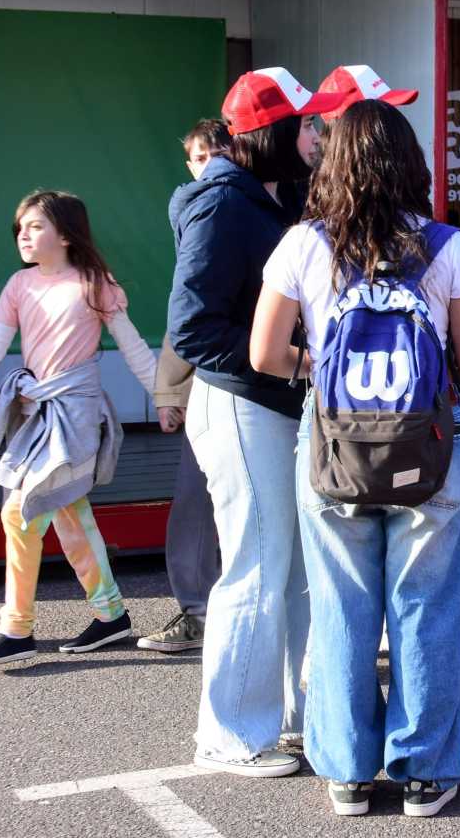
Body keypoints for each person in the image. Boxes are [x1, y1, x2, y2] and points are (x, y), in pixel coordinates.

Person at [253, 99, 460, 819]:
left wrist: (321, 365)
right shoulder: (450, 247)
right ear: (410, 162)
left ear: (332, 164)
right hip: (431, 446)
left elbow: (264, 353)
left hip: (332, 447)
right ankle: (423, 771)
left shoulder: (303, 244)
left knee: (341, 606)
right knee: (429, 607)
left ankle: (349, 772)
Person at [166, 69, 333, 776]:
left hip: (266, 407)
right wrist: (300, 361)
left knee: (286, 568)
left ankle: (289, 717)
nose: (314, 138)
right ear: (268, 133)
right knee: (257, 567)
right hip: (241, 405)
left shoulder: (265, 197)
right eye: (303, 126)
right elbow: (194, 328)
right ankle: (230, 734)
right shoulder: (221, 205)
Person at [0, 190, 157, 666]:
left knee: (20, 513)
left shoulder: (94, 283)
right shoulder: (19, 285)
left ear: (66, 234)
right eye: (20, 227)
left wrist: (169, 399)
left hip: (78, 413)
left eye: (35, 226)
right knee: (68, 513)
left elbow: (133, 348)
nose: (23, 234)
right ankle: (110, 615)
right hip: (35, 415)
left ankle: (17, 628)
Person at [138, 117, 231, 655]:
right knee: (196, 501)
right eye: (197, 157)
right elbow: (186, 313)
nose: (207, 164)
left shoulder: (248, 205)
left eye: (216, 152)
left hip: (265, 385)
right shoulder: (196, 212)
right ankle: (196, 609)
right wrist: (169, 392)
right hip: (208, 385)